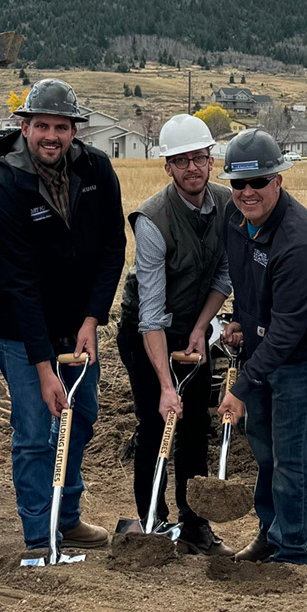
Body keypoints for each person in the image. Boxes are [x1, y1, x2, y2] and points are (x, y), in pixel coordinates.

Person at [0, 79, 125, 553]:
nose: (51, 136)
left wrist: (91, 320)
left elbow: (112, 250)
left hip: (76, 324)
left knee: (81, 418)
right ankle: (40, 532)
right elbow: (17, 285)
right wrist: (45, 368)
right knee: (37, 429)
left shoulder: (98, 170)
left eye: (61, 127)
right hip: (21, 332)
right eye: (42, 125)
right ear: (25, 126)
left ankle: (69, 517)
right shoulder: (1, 188)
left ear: (73, 130)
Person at [215, 129, 307, 565]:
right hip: (264, 348)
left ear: (279, 181)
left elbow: (289, 331)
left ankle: (292, 549)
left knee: (290, 453)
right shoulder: (237, 223)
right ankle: (270, 533)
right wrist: (239, 320)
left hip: (304, 358)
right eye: (239, 184)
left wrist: (240, 388)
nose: (247, 192)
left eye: (259, 182)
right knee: (264, 446)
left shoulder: (299, 242)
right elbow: (250, 288)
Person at [115, 114, 232, 554]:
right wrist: (166, 384)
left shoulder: (227, 204)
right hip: (146, 329)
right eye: (180, 161)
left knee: (195, 422)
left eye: (199, 158)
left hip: (192, 327)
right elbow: (151, 314)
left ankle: (194, 523)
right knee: (157, 418)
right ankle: (153, 520)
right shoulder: (152, 219)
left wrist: (202, 329)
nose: (192, 168)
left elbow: (224, 272)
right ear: (167, 167)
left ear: (210, 160)